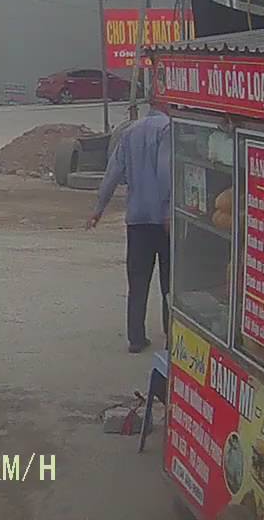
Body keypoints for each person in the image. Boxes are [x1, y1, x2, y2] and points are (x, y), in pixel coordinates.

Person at [87, 97, 172, 354]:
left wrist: (98, 209)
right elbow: (165, 171)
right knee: (169, 281)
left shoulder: (129, 132)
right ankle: (172, 335)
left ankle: (136, 338)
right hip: (164, 221)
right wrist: (168, 210)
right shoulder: (168, 129)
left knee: (137, 280)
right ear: (166, 105)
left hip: (136, 219)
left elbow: (112, 172)